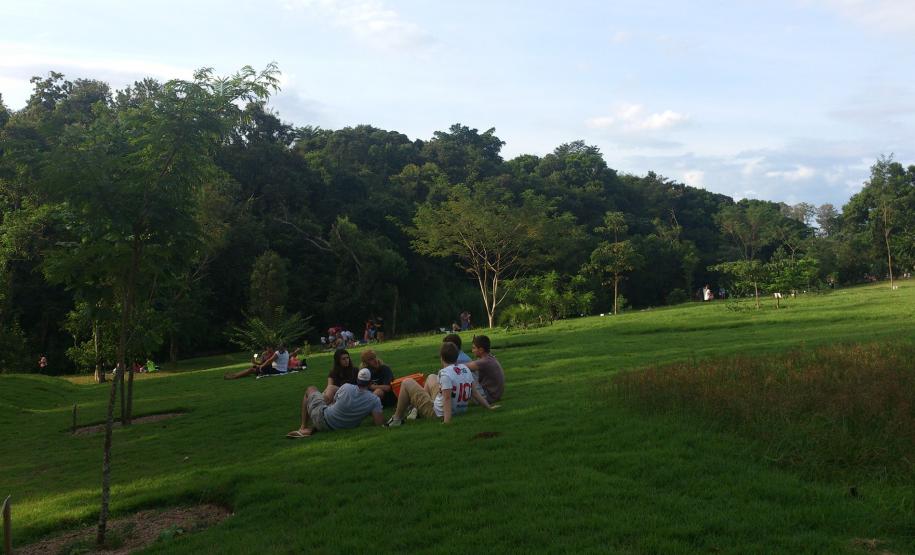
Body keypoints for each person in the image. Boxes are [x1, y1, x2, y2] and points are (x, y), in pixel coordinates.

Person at [386, 342, 497, 427]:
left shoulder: (444, 373)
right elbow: (475, 393)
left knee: (407, 382)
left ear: (442, 357)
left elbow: (447, 398)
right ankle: (416, 410)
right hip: (459, 409)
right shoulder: (464, 369)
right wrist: (489, 407)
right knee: (431, 377)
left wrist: (446, 421)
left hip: (438, 413)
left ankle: (397, 419)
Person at [287, 368, 384, 438]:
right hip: (342, 427)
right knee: (331, 403)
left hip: (323, 418)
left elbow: (333, 402)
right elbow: (379, 423)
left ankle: (303, 427)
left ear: (357, 380)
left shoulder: (346, 387)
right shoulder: (374, 400)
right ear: (370, 382)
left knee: (310, 389)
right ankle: (311, 429)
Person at [465, 335, 505, 403]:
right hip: (495, 395)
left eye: (474, 348)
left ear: (481, 350)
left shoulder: (484, 362)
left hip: (488, 397)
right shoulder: (490, 358)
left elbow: (461, 367)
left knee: (464, 372)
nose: (472, 351)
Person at [224, 343, 290, 379]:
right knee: (253, 368)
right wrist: (256, 362)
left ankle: (234, 376)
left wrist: (261, 366)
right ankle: (234, 374)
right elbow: (263, 362)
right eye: (267, 347)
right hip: (278, 369)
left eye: (269, 347)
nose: (268, 349)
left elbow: (270, 361)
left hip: (276, 369)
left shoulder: (276, 353)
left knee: (252, 369)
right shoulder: (286, 352)